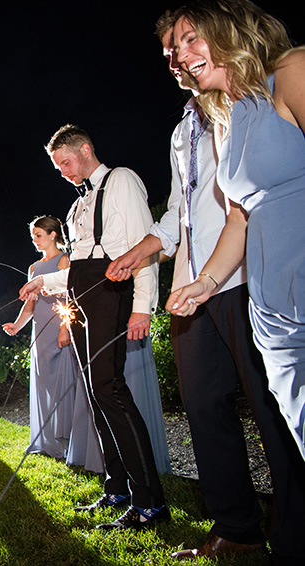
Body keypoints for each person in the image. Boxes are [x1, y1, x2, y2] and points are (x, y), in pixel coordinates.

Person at [107, 10, 305, 561]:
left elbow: (249, 209)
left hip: (252, 278)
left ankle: (292, 530)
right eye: (171, 51)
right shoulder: (195, 127)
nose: (178, 58)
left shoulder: (276, 83)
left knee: (272, 411)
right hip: (203, 279)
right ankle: (236, 528)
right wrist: (146, 257)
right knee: (204, 407)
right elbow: (180, 213)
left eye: (189, 40)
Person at [19, 125, 168, 530]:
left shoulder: (121, 181)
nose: (64, 172)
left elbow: (144, 245)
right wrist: (41, 282)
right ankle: (117, 487)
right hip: (86, 296)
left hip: (112, 296)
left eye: (66, 162)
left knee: (109, 389)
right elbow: (78, 270)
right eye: (58, 167)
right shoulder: (75, 207)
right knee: (94, 392)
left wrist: (142, 308)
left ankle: (150, 501)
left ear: (85, 150)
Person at [3, 216, 102, 470]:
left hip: (59, 328)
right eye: (33, 236)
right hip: (39, 330)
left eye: (38, 235)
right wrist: (17, 325)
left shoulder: (64, 261)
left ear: (53, 234)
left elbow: (70, 298)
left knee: (64, 382)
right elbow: (30, 303)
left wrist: (65, 329)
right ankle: (46, 441)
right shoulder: (34, 267)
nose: (34, 240)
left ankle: (67, 440)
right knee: (44, 384)